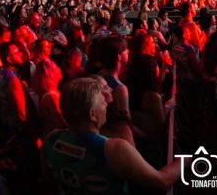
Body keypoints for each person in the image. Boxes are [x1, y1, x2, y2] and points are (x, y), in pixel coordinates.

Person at [41, 78, 182, 193]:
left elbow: (49, 179)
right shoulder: (114, 149)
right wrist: (186, 160)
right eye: (103, 103)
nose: (107, 106)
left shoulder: (50, 139)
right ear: (92, 114)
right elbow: (162, 182)